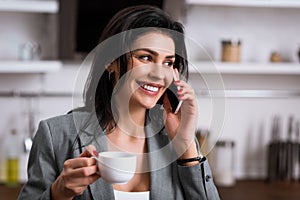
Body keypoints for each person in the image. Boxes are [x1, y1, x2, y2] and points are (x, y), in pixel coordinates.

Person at [18, 5, 220, 200]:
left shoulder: (178, 141)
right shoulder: (56, 135)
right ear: (110, 61)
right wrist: (59, 193)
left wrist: (185, 146)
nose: (159, 74)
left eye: (168, 62)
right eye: (146, 57)